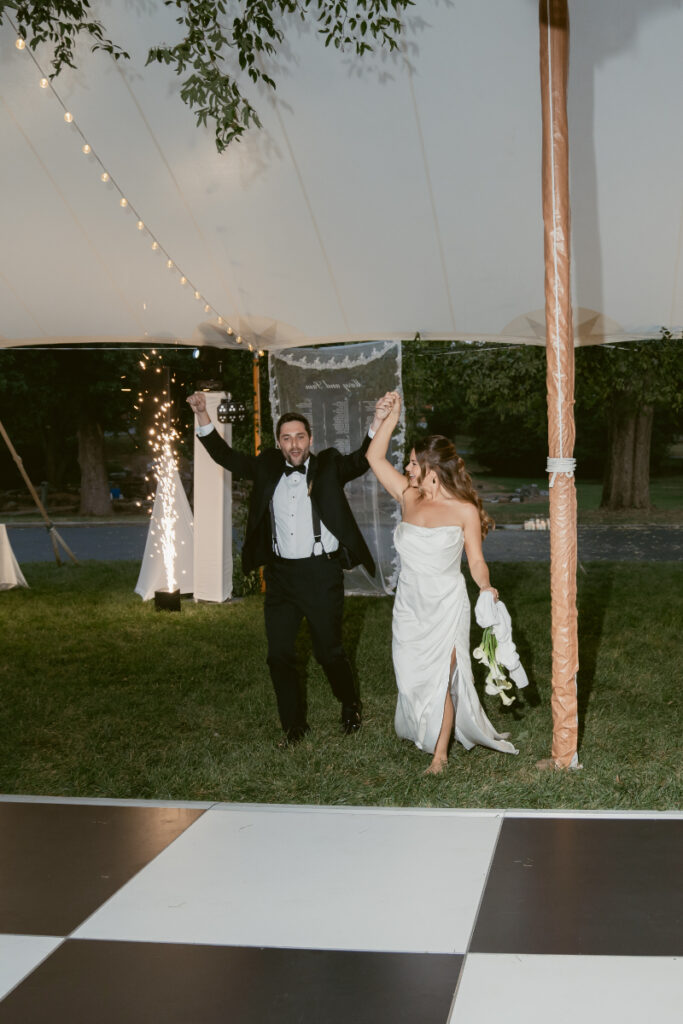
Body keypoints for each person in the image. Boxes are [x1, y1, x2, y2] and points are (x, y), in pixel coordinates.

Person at [187, 390, 395, 745]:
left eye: (300, 437)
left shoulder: (328, 465)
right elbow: (225, 456)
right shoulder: (267, 465)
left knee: (328, 652)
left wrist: (377, 420)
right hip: (281, 577)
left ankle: (350, 703)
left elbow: (362, 459)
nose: (294, 444)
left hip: (320, 574)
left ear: (310, 440)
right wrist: (202, 415)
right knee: (279, 655)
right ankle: (294, 726)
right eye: (287, 438)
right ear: (279, 443)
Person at [367, 392, 518, 774]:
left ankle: (440, 755)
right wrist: (391, 417)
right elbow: (373, 457)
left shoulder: (464, 511)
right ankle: (425, 730)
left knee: (440, 678)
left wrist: (485, 587)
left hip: (446, 605)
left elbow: (476, 562)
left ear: (433, 469)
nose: (408, 466)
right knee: (409, 675)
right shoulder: (408, 496)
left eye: (414, 463)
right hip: (409, 606)